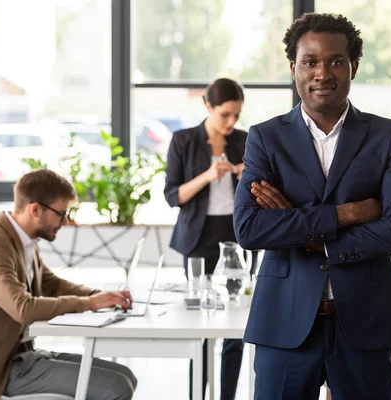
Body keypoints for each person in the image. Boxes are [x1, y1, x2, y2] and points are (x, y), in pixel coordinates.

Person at [233, 12, 391, 399]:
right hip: (283, 324)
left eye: (336, 61)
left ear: (353, 66)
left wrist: (304, 231)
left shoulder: (388, 136)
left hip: (365, 323)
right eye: (310, 62)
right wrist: (347, 214)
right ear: (294, 68)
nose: (322, 73)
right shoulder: (265, 138)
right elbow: (249, 229)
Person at [0, 169, 137, 400]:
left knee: (126, 376)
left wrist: (98, 295)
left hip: (26, 354)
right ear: (35, 209)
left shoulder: (22, 240)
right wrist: (89, 303)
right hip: (4, 369)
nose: (66, 222)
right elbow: (23, 308)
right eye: (61, 213)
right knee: (116, 387)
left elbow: (51, 284)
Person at [164, 77, 247, 400]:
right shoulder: (183, 140)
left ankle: (226, 397)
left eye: (236, 116)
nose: (231, 122)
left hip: (236, 236)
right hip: (197, 240)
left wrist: (248, 175)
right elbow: (174, 196)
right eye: (225, 114)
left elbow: (263, 189)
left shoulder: (245, 140)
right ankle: (196, 395)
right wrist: (208, 175)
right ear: (208, 107)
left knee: (235, 326)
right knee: (199, 324)